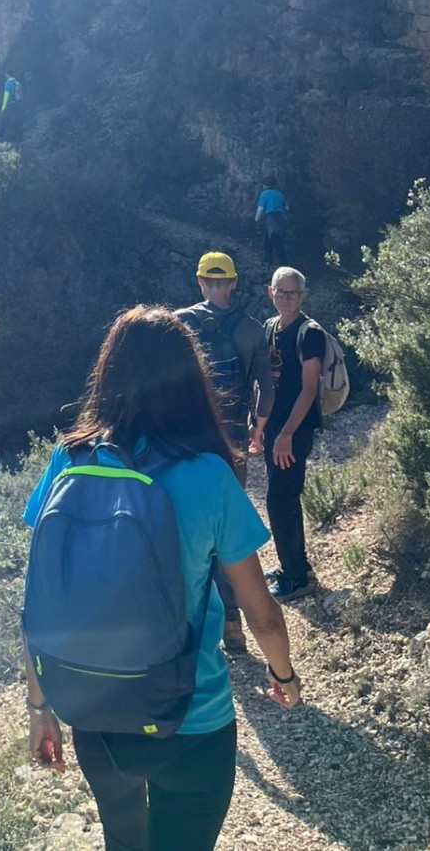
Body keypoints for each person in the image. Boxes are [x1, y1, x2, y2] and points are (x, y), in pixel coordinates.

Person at [22, 307, 301, 851]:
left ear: (108, 376)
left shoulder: (68, 461)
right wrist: (284, 676)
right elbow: (261, 611)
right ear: (188, 382)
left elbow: (40, 600)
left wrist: (40, 709)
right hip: (190, 722)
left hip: (97, 715)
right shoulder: (208, 474)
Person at [175, 252, 274, 655]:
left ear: (200, 281)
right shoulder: (251, 329)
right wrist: (259, 430)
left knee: (189, 530)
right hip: (231, 443)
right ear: (233, 282)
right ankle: (234, 625)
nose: (215, 287)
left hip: (186, 441)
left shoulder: (180, 324)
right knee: (227, 530)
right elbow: (266, 390)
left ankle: (196, 624)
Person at [262, 266, 324, 600]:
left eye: (293, 293)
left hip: (294, 432)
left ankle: (297, 579)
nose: (286, 298)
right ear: (270, 293)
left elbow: (309, 390)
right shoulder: (271, 327)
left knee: (280, 499)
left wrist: (286, 434)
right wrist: (259, 426)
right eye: (280, 292)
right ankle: (294, 565)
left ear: (303, 296)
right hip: (274, 429)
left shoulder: (309, 333)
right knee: (284, 498)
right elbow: (266, 381)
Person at [255, 177, 289, 267]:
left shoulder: (264, 194)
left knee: (268, 239)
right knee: (279, 239)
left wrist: (257, 218)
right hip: (280, 218)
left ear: (265, 185)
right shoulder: (279, 194)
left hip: (270, 218)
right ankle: (283, 260)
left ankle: (269, 260)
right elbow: (286, 207)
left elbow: (261, 208)